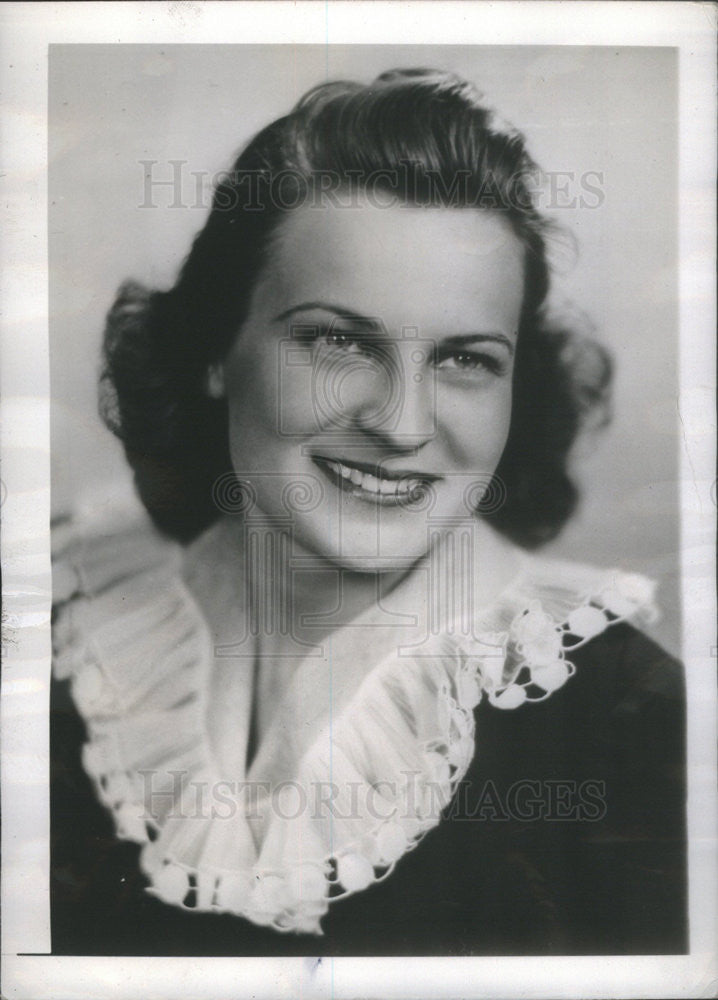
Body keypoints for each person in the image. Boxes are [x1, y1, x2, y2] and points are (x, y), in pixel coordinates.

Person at [50, 68, 687, 955]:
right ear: (214, 349)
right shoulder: (72, 631)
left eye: (466, 359)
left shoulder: (632, 721)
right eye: (339, 341)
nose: (402, 425)